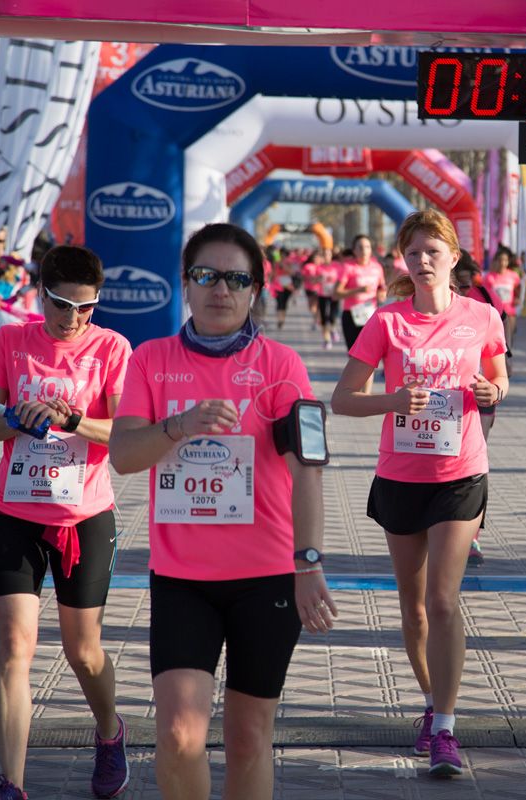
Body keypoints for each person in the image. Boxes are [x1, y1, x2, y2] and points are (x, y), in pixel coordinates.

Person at [109, 223, 334, 800]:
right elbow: (124, 455)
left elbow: (309, 469)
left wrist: (308, 563)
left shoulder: (283, 366)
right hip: (184, 580)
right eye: (206, 275)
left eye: (236, 279)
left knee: (249, 737)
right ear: (186, 284)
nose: (220, 290)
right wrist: (179, 426)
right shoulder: (150, 360)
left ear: (255, 290)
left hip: (267, 580)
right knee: (181, 735)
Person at [331, 210, 507, 778]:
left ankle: (448, 730)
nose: (424, 262)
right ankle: (432, 702)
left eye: (434, 251)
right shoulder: (386, 321)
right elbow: (342, 398)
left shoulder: (481, 316)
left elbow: (500, 379)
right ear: (402, 262)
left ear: (454, 258)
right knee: (413, 610)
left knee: (442, 601)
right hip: (401, 477)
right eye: (413, 254)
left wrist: (490, 390)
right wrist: (390, 401)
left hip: (460, 473)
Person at [0, 246, 133, 800]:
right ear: (41, 294)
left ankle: (110, 733)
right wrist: (16, 417)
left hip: (84, 516)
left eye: (87, 308)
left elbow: (129, 437)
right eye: (63, 305)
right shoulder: (12, 342)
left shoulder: (112, 347)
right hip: (14, 512)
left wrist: (74, 419)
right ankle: (11, 784)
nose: (74, 319)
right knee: (14, 643)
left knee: (82, 651)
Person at [453, 252, 506, 568]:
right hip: (433, 405)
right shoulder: (422, 294)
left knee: (475, 461)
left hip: (478, 398)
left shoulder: (485, 297)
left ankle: (472, 535)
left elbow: (502, 344)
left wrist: (498, 383)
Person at [333, 234, 387, 349]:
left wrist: (381, 294)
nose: (364, 250)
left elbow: (382, 287)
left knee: (371, 352)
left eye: (367, 247)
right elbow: (336, 293)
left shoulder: (377, 267)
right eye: (360, 247)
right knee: (354, 354)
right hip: (352, 314)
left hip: (370, 314)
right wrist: (359, 290)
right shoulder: (348, 267)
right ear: (354, 250)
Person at [483, 245, 522, 356]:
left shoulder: (513, 275)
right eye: (500, 260)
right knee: (496, 340)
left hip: (510, 313)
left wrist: (517, 298)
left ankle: (507, 364)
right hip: (495, 313)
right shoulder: (489, 277)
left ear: (508, 261)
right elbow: (485, 294)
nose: (502, 263)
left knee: (509, 340)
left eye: (505, 260)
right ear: (496, 261)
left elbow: (518, 287)